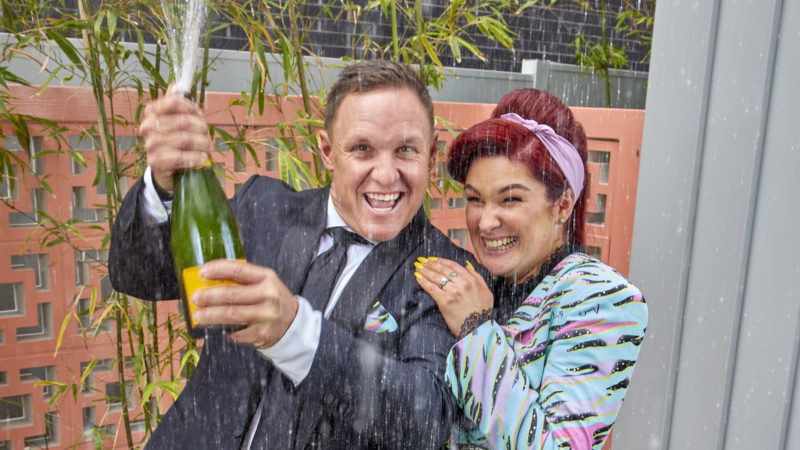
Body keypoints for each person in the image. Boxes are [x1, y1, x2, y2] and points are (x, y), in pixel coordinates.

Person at [109, 60, 480, 449]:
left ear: (431, 156)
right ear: (327, 151)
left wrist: (296, 332)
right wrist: (164, 184)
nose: (386, 175)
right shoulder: (262, 208)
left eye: (405, 149)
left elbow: (424, 420)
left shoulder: (452, 275)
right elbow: (137, 273)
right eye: (362, 148)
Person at [414, 88, 648, 449]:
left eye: (510, 199)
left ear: (563, 205)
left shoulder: (602, 297)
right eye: (475, 199)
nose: (485, 221)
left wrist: (476, 331)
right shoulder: (474, 283)